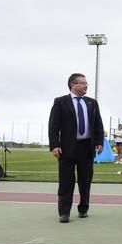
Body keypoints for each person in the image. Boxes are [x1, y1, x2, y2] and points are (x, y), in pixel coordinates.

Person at [48, 73, 104, 223]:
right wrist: (54, 145)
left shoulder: (92, 103)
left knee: (85, 181)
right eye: (83, 83)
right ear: (73, 85)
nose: (86, 86)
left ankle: (83, 208)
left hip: (87, 147)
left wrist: (99, 141)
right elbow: (53, 126)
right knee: (66, 181)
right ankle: (64, 212)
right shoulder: (61, 102)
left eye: (87, 83)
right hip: (66, 148)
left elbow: (98, 123)